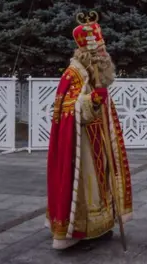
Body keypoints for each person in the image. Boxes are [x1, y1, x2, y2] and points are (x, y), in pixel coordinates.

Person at [45, 15, 133, 250]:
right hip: (80, 144)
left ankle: (101, 227)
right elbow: (66, 110)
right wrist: (91, 100)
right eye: (100, 52)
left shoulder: (97, 74)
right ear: (86, 53)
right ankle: (79, 231)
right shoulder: (72, 75)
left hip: (100, 139)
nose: (104, 56)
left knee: (102, 185)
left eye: (104, 51)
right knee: (86, 188)